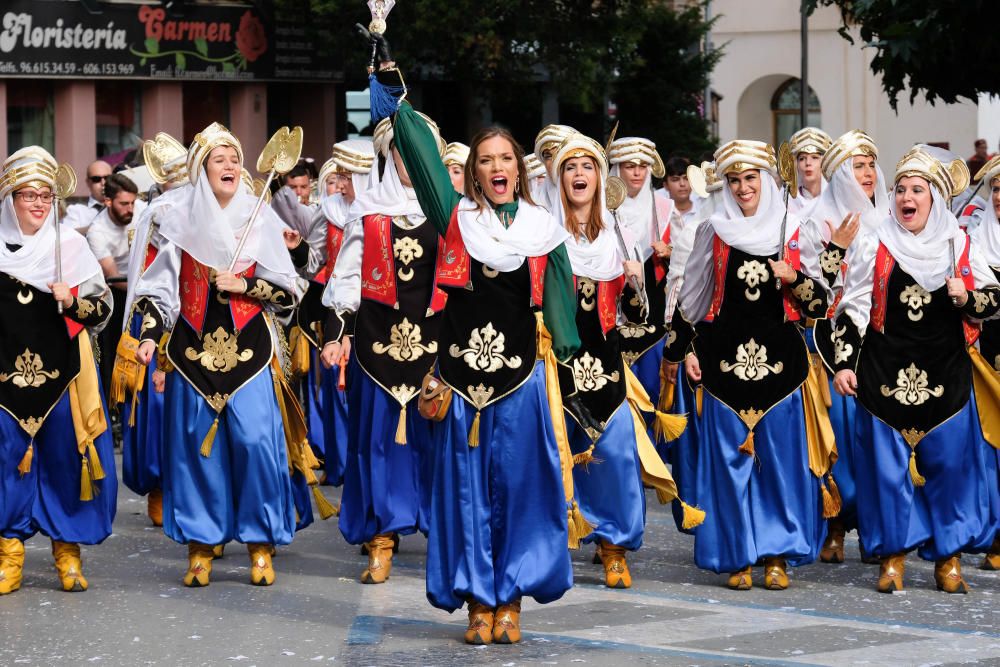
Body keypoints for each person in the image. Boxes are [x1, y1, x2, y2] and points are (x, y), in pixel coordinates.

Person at [133, 122, 305, 588]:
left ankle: (260, 543)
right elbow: (158, 290)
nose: (230, 165)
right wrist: (149, 334)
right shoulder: (177, 222)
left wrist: (246, 285)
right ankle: (201, 544)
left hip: (251, 351)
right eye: (219, 159)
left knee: (254, 445)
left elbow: (289, 294)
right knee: (196, 453)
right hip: (191, 352)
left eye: (235, 157)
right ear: (200, 170)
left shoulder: (260, 217)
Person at [830, 145, 1000, 593]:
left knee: (950, 469)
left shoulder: (959, 243)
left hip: (946, 374)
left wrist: (966, 298)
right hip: (883, 375)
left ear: (936, 198)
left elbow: (993, 298)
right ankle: (893, 558)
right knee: (886, 473)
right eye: (900, 189)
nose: (906, 196)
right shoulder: (875, 240)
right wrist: (845, 363)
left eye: (917, 190)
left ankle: (948, 559)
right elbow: (852, 308)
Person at [680, 140, 832, 590]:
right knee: (728, 466)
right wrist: (686, 348)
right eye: (734, 180)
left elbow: (822, 302)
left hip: (782, 365)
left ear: (765, 181)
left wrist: (796, 278)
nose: (743, 188)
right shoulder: (713, 230)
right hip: (723, 363)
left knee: (780, 463)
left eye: (750, 178)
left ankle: (777, 554)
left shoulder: (796, 228)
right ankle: (736, 553)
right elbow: (691, 298)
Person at [552, 133, 697, 589]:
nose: (580, 175)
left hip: (607, 368)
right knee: (560, 455)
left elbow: (634, 315)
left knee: (613, 454)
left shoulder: (617, 237)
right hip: (556, 367)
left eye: (587, 167)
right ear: (560, 179)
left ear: (600, 179)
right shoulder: (544, 236)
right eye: (571, 167)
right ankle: (561, 539)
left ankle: (613, 547)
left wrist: (635, 286)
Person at [320, 116, 445, 585]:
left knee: (436, 445)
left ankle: (442, 531)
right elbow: (347, 279)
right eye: (402, 149)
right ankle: (382, 539)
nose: (410, 158)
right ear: (388, 155)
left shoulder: (452, 212)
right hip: (378, 345)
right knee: (378, 444)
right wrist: (336, 334)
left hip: (437, 347)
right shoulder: (368, 210)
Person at [0, 146, 116, 594]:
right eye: (27, 194)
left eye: (45, 195)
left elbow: (101, 311)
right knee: (7, 462)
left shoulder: (69, 245)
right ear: (9, 198)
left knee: (67, 460)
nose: (37, 203)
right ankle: (9, 553)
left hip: (64, 373)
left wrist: (72, 300)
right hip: (5, 376)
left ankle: (67, 551)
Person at [810, 130, 891, 563]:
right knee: (838, 441)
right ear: (840, 174)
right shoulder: (816, 221)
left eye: (869, 165)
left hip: (881, 346)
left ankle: (880, 534)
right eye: (856, 166)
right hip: (830, 346)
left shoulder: (892, 219)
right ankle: (836, 526)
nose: (866, 174)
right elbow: (812, 293)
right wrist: (834, 250)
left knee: (877, 443)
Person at [114, 132, 190, 528]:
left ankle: (184, 487)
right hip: (154, 314)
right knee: (153, 405)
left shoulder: (192, 209)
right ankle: (159, 486)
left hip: (192, 312)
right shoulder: (153, 211)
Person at [295, 139, 374, 488]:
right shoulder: (324, 212)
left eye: (346, 177)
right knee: (333, 390)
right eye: (336, 177)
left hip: (375, 316)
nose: (339, 185)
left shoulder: (385, 212)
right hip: (332, 309)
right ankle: (339, 462)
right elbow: (313, 264)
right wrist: (296, 250)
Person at [87, 172, 138, 396]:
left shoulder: (143, 211)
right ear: (108, 202)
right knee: (114, 349)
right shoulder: (97, 231)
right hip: (117, 291)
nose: (131, 209)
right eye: (124, 204)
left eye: (133, 202)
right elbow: (113, 276)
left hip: (144, 284)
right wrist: (142, 292)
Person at [786, 127, 832, 221]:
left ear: (824, 163)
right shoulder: (787, 200)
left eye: (814, 157)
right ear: (796, 165)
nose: (808, 163)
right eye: (802, 158)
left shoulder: (834, 198)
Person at [533, 124, 576, 211]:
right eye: (548, 156)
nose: (554, 161)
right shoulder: (531, 204)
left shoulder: (594, 199)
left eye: (560, 154)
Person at [62, 160, 112, 235]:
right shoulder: (76, 210)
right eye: (96, 179)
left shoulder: (124, 205)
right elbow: (67, 235)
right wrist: (97, 228)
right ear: (88, 182)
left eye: (107, 178)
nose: (103, 183)